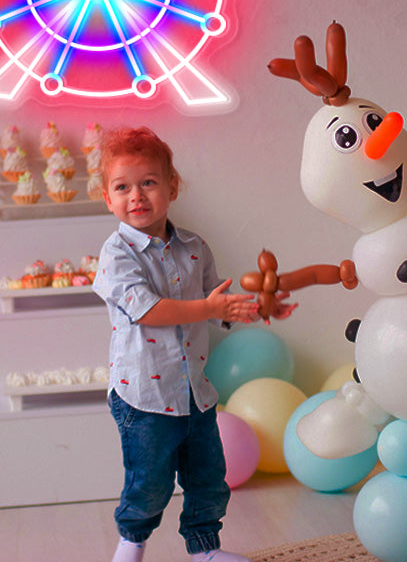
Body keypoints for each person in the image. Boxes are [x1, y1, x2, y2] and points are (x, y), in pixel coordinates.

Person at [93, 126, 295, 562]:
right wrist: (207, 307)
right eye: (122, 187)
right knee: (149, 483)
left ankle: (204, 549)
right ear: (107, 198)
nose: (137, 196)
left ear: (172, 187)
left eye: (148, 182)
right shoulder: (117, 254)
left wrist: (256, 308)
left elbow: (215, 306)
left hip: (194, 393)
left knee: (208, 479)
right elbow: (150, 311)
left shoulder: (194, 248)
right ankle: (131, 543)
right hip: (144, 397)